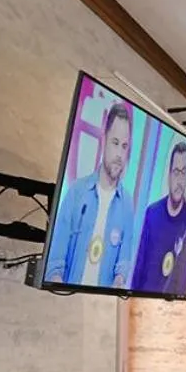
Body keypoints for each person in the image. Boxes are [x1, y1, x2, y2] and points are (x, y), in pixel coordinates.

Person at [45, 100, 138, 288]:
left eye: (125, 146)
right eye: (115, 143)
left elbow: (123, 264)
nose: (119, 153)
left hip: (100, 305)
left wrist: (118, 283)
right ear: (104, 140)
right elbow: (54, 263)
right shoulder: (76, 192)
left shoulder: (127, 204)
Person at [129, 139, 186, 295]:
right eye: (176, 172)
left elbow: (183, 279)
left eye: (183, 172)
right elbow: (139, 266)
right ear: (169, 174)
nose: (179, 180)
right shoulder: (152, 213)